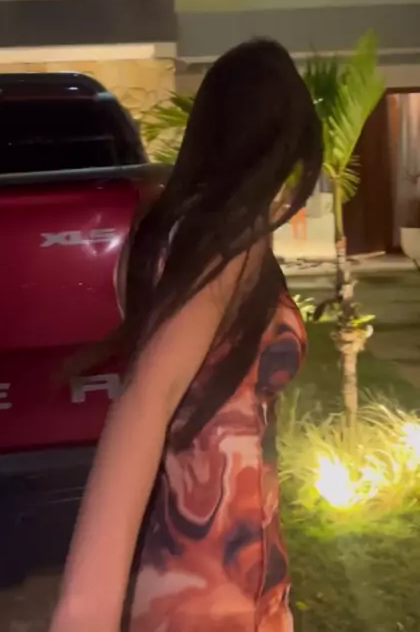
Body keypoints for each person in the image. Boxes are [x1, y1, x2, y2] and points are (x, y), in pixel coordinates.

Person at [50, 38, 323, 632]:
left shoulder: (169, 233)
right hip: (216, 582)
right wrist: (84, 612)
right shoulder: (225, 241)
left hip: (203, 558)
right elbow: (148, 398)